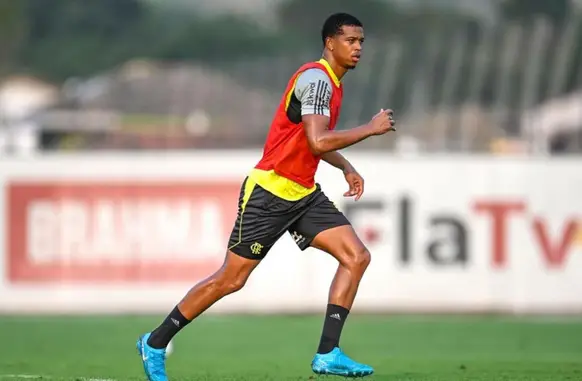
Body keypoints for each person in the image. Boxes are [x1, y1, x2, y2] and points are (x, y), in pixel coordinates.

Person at [137, 12, 396, 380]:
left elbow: (312, 144)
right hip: (271, 192)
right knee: (230, 279)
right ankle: (155, 342)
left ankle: (328, 353)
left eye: (361, 42)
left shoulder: (331, 85)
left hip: (303, 193)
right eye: (351, 40)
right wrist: (369, 129)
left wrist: (345, 167)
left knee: (356, 256)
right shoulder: (317, 80)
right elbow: (318, 140)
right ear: (330, 43)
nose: (358, 48)